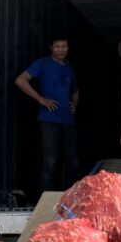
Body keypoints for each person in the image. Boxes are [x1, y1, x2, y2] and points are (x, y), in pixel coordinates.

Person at [15, 36, 79, 192]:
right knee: (50, 161)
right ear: (51, 47)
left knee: (73, 162)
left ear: (68, 48)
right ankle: (46, 198)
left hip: (68, 121)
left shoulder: (69, 67)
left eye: (64, 46)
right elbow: (20, 80)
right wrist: (40, 99)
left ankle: (71, 198)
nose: (61, 49)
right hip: (48, 119)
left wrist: (75, 104)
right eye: (57, 46)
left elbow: (76, 90)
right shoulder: (42, 64)